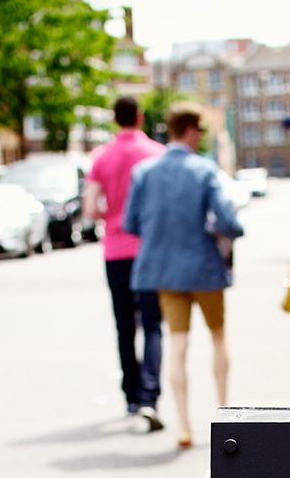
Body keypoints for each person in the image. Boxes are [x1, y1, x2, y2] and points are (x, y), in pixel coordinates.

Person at [124, 102, 244, 449]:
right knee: (219, 338)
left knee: (177, 343)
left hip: (164, 271)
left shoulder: (144, 172)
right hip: (204, 268)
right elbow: (226, 221)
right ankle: (223, 416)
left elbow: (131, 223)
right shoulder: (204, 170)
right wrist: (236, 228)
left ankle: (184, 426)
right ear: (191, 130)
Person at [85, 96, 166, 431]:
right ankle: (150, 397)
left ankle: (131, 396)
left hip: (115, 251)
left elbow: (90, 208)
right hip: (148, 250)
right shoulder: (156, 154)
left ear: (115, 120)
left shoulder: (101, 157)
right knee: (152, 325)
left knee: (124, 326)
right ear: (140, 116)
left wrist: (112, 216)